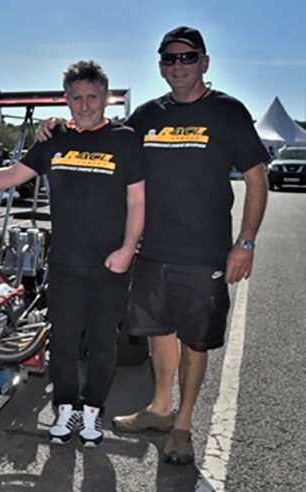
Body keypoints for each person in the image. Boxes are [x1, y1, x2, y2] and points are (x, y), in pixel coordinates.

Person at [0, 61, 145, 447]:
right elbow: (12, 176)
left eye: (92, 97)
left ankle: (92, 412)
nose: (84, 105)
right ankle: (65, 409)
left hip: (110, 264)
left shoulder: (125, 139)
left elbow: (137, 200)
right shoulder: (54, 137)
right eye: (77, 98)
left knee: (101, 344)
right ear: (67, 100)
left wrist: (128, 249)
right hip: (64, 262)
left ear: (105, 99)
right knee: (62, 343)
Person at [105, 27, 268, 464]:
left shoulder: (228, 112)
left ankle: (183, 425)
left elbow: (257, 180)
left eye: (187, 58)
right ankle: (160, 409)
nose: (178, 66)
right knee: (161, 333)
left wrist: (245, 243)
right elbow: (103, 141)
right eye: (169, 59)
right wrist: (57, 127)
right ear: (160, 65)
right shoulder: (145, 115)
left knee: (196, 340)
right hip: (153, 250)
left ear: (205, 63)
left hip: (204, 253)